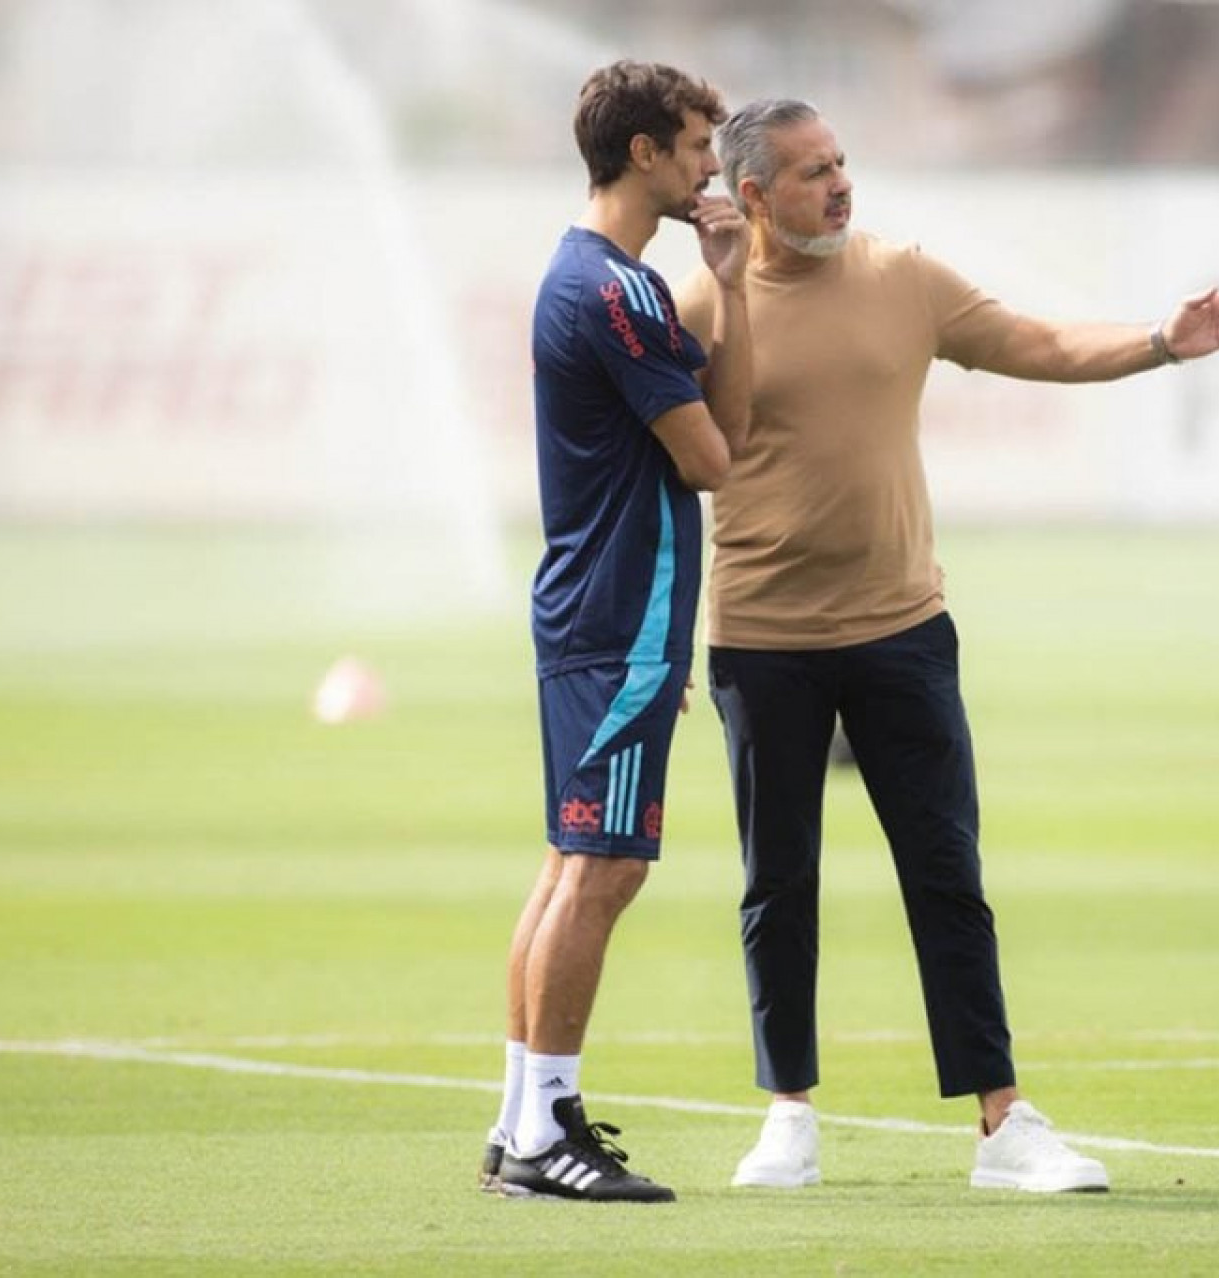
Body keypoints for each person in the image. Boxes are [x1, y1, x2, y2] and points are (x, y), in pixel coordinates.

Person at [673, 98, 1219, 1195]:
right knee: (778, 882)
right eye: (810, 172)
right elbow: (708, 446)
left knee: (948, 876)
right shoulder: (706, 300)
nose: (840, 183)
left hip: (903, 627)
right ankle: (787, 1113)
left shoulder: (904, 276)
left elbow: (1034, 343)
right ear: (752, 195)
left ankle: (1002, 1124)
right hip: (761, 638)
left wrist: (1159, 343)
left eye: (842, 162)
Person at [481, 60, 752, 1204]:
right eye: (697, 145)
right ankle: (546, 1131)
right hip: (619, 611)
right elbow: (713, 457)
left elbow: (702, 439)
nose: (709, 167)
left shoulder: (591, 275)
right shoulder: (620, 291)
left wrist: (722, 279)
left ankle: (519, 1123)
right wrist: (727, 282)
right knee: (602, 872)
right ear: (643, 153)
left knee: (566, 867)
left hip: (591, 611)